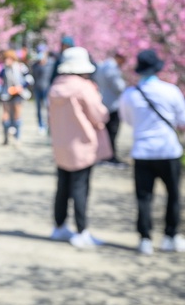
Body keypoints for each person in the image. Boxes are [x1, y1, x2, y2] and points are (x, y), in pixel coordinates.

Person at [119, 49, 185, 255]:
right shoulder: (171, 91)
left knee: (144, 197)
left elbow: (127, 120)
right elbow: (182, 120)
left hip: (143, 151)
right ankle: (170, 236)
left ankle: (145, 239)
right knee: (173, 195)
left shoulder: (130, 94)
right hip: (168, 150)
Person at [47, 47, 111, 249]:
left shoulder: (55, 86)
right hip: (82, 145)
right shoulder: (84, 87)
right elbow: (100, 114)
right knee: (81, 189)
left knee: (63, 187)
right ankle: (82, 231)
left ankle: (59, 226)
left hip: (61, 145)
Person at [94, 52, 128, 168]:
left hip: (104, 101)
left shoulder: (103, 66)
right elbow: (119, 87)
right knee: (112, 132)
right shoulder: (112, 68)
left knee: (106, 131)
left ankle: (105, 155)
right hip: (112, 104)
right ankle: (110, 156)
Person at [0, 50, 33, 145]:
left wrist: (20, 87)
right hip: (7, 93)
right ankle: (5, 136)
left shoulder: (21, 67)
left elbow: (29, 79)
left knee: (17, 113)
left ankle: (17, 137)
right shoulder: (4, 69)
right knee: (5, 114)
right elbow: (0, 78)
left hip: (18, 93)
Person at [31, 52, 53, 134]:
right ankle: (40, 125)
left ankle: (48, 124)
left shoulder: (49, 65)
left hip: (46, 89)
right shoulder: (35, 66)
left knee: (47, 107)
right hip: (37, 88)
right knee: (39, 108)